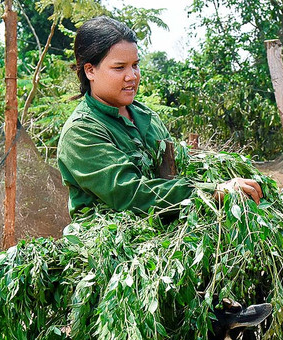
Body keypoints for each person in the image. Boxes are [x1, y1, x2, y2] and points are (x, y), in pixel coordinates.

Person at [58, 16, 262, 217]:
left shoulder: (146, 117)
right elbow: (132, 195)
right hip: (105, 244)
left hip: (162, 226)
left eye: (135, 65)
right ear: (90, 70)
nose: (132, 76)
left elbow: (175, 173)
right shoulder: (81, 131)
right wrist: (211, 191)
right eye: (119, 67)